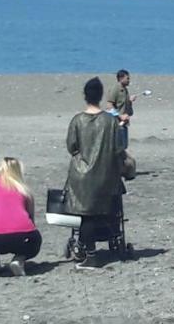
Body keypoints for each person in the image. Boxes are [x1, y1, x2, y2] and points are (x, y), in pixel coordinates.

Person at [63, 76, 125, 269]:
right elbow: (118, 148)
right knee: (104, 212)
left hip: (81, 173)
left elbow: (72, 146)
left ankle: (90, 254)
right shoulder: (110, 121)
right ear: (100, 96)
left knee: (85, 215)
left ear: (85, 96)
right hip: (105, 173)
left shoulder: (77, 121)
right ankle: (95, 248)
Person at [106, 69, 136, 149]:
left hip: (124, 123)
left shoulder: (125, 90)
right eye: (127, 78)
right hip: (115, 124)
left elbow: (126, 108)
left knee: (124, 146)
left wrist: (129, 101)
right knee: (117, 147)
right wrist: (120, 116)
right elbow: (109, 106)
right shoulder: (115, 89)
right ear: (120, 78)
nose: (129, 80)